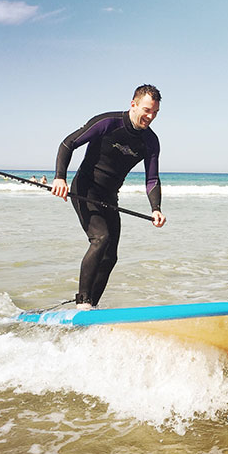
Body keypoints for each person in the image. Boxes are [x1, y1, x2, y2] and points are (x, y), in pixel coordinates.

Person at [51, 84, 166, 309]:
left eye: (155, 113)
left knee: (111, 256)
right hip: (85, 189)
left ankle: (91, 307)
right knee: (100, 239)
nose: (150, 116)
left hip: (110, 197)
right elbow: (68, 143)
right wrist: (59, 177)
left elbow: (152, 179)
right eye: (147, 110)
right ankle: (82, 301)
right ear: (133, 104)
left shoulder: (150, 141)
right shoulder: (107, 122)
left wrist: (156, 208)